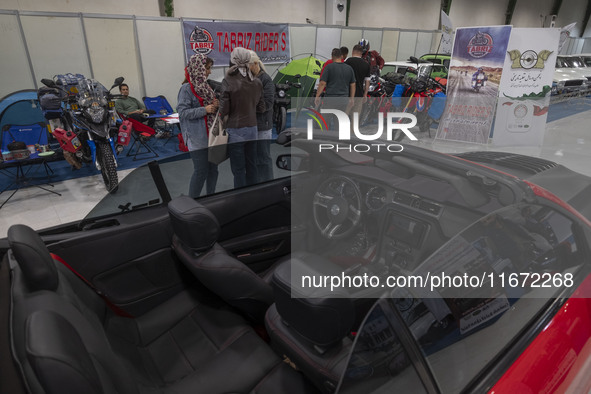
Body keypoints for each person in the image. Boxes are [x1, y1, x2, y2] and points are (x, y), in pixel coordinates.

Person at [219, 47, 265, 188]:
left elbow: (224, 110)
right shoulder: (257, 82)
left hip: (235, 129)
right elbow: (261, 108)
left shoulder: (227, 81)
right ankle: (254, 195)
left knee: (238, 169)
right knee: (252, 165)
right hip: (252, 128)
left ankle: (240, 197)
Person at [177, 54, 219, 197]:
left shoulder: (206, 87)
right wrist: (204, 110)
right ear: (198, 69)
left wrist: (215, 105)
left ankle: (211, 197)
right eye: (207, 68)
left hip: (211, 136)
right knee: (201, 171)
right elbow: (182, 113)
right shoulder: (186, 89)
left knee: (213, 170)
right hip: (197, 138)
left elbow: (211, 109)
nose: (209, 72)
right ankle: (192, 201)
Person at [248, 50, 275, 182]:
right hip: (253, 125)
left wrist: (248, 105)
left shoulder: (266, 80)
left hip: (263, 126)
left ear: (254, 64)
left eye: (248, 66)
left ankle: (269, 183)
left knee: (264, 157)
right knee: (255, 157)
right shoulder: (251, 78)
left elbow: (269, 104)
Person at [315, 47, 356, 125]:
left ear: (332, 56)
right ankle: (337, 136)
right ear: (341, 56)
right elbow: (353, 84)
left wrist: (317, 95)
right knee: (339, 122)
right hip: (343, 100)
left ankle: (326, 136)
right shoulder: (349, 68)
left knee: (325, 122)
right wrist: (352, 98)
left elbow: (323, 83)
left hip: (330, 99)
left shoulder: (328, 67)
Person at [345, 44, 371, 117]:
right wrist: (365, 94)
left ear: (353, 51)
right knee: (355, 117)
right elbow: (367, 81)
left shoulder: (348, 61)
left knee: (344, 116)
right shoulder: (366, 65)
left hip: (347, 94)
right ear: (361, 53)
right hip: (359, 94)